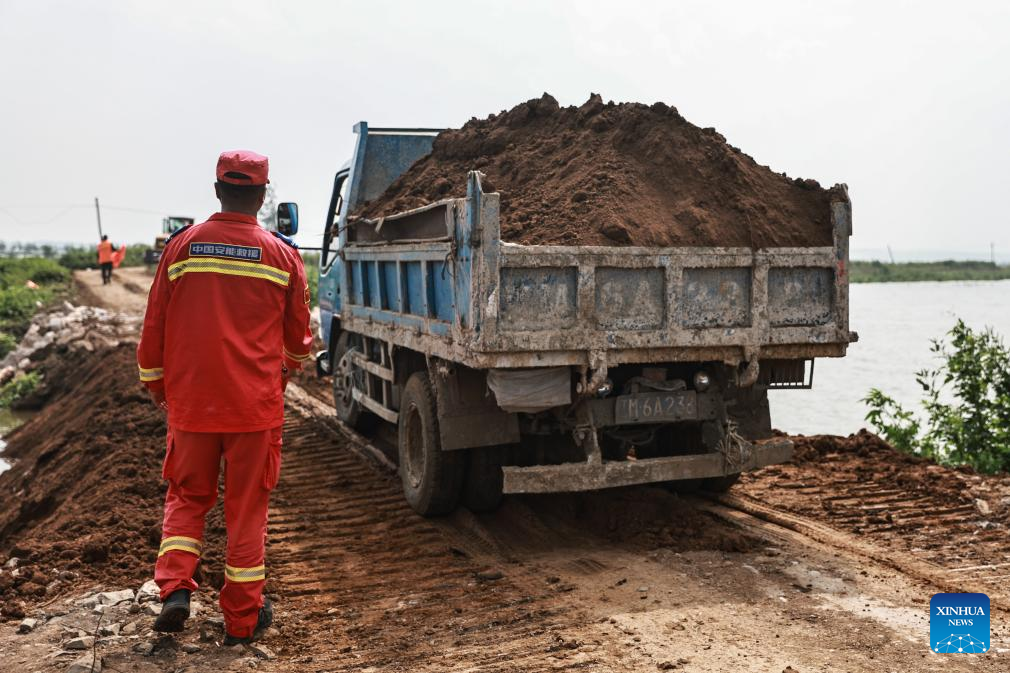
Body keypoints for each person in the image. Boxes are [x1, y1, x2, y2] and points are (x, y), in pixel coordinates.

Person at [136, 150, 313, 644]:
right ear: (261, 195)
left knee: (188, 497)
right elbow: (299, 338)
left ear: (217, 190)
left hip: (192, 406)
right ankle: (241, 620)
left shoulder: (182, 248)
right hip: (254, 411)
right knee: (246, 509)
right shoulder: (282, 256)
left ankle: (174, 588)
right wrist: (283, 376)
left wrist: (156, 383)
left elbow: (156, 323)